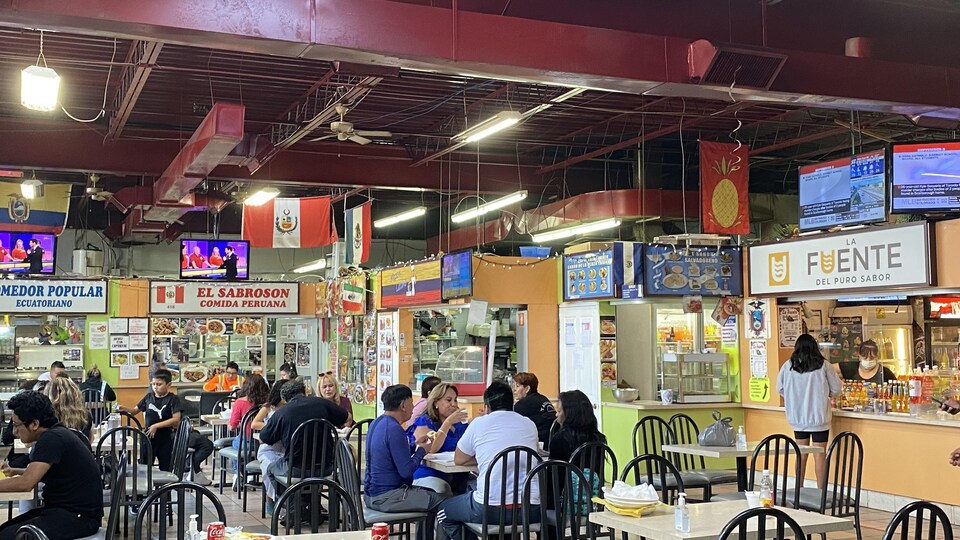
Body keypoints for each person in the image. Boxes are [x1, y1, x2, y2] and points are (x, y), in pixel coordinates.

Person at [439, 381, 540, 540]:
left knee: (443, 512)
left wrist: (485, 456)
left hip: (490, 508)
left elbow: (459, 459)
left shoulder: (479, 423)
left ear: (486, 406)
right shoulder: (529, 424)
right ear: (512, 402)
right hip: (531, 509)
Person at [0, 392, 103, 540]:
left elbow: (26, 484)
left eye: (17, 425)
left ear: (34, 424)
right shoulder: (55, 433)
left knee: (7, 536)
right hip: (72, 512)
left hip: (79, 518)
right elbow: (38, 471)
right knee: (5, 530)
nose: (15, 432)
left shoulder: (51, 440)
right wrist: (14, 470)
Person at [366, 385, 448, 540]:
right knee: (445, 501)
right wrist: (421, 451)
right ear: (403, 405)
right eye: (411, 402)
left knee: (431, 498)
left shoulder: (378, 423)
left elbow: (391, 452)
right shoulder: (394, 429)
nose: (413, 407)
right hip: (388, 497)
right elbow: (406, 471)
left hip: (372, 495)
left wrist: (414, 445)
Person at [258, 380, 347, 498]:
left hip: (296, 469)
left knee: (270, 469)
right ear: (305, 391)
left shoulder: (282, 412)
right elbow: (345, 417)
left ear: (283, 399)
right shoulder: (323, 403)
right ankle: (316, 505)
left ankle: (290, 504)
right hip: (326, 468)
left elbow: (264, 437)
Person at [776, 333, 842, 490]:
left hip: (797, 418)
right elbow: (836, 389)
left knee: (801, 455)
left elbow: (780, 388)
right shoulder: (824, 365)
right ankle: (821, 492)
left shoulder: (788, 366)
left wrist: (793, 398)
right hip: (819, 419)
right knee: (820, 456)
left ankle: (798, 490)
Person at [406, 382, 469, 495]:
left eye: (455, 400)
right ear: (436, 403)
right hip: (428, 474)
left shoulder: (460, 425)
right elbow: (431, 448)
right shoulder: (424, 422)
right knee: (443, 489)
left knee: (479, 488)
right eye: (449, 400)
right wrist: (447, 423)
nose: (453, 404)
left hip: (457, 474)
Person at [118, 369, 182, 471]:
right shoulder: (149, 397)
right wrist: (123, 408)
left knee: (166, 467)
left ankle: (164, 486)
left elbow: (176, 419)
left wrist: (156, 426)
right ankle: (147, 486)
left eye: (159, 384)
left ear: (169, 385)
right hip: (148, 438)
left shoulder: (173, 399)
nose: (155, 387)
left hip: (165, 438)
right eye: (153, 384)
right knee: (145, 467)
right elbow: (134, 411)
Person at [254, 379, 290, 516]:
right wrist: (273, 428)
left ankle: (287, 502)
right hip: (269, 448)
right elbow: (254, 424)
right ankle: (272, 501)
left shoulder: (290, 408)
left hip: (286, 448)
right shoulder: (268, 407)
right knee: (270, 468)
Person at [228, 374, 270, 482]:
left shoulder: (240, 402)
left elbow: (231, 427)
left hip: (245, 442)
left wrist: (241, 424)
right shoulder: (268, 403)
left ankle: (237, 474)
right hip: (264, 442)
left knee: (235, 443)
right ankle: (251, 474)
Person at [548, 389, 604, 462]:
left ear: (569, 414)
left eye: (559, 411)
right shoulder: (599, 438)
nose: (556, 415)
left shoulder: (559, 440)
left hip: (565, 473)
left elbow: (552, 471)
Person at [512, 372, 557, 444]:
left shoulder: (521, 405)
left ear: (527, 388)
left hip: (536, 443)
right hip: (552, 441)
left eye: (517, 386)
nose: (514, 390)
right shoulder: (544, 399)